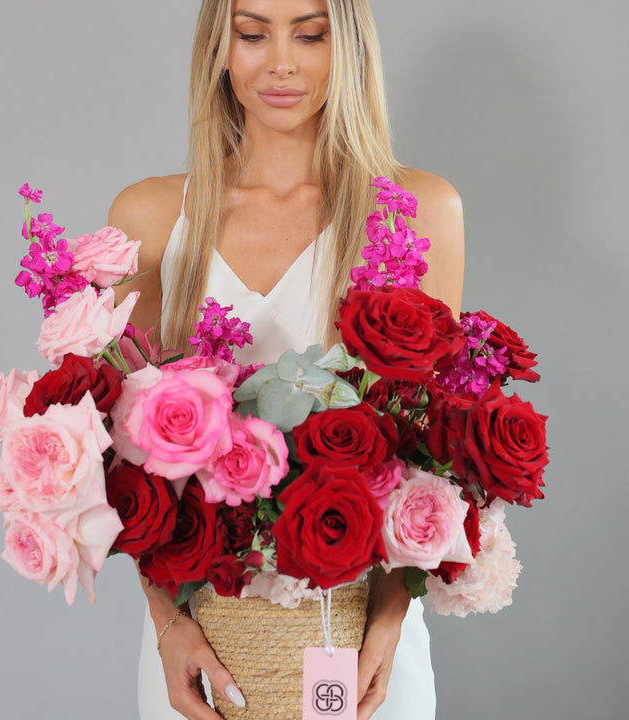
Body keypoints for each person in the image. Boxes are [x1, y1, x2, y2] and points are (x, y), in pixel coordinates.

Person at [109, 1, 464, 718]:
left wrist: (389, 625)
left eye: (309, 34)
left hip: (362, 647)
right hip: (205, 650)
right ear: (220, 48)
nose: (280, 61)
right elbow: (127, 469)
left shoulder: (416, 212)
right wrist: (169, 627)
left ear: (349, 49)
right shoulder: (150, 219)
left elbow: (433, 450)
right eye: (251, 32)